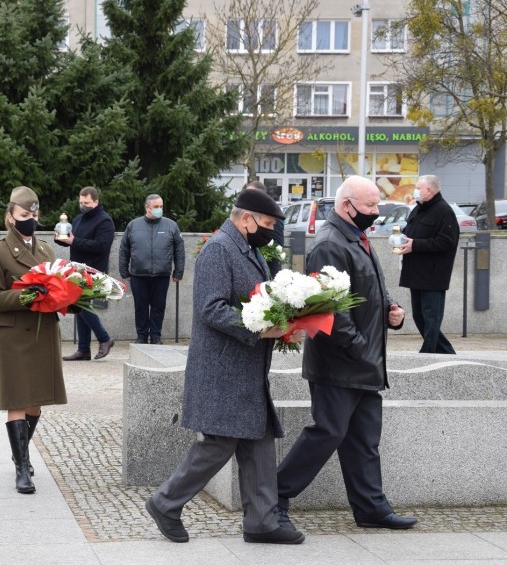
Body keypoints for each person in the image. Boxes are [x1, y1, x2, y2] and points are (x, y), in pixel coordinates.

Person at [145, 188, 304, 545]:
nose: (269, 231)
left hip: (244, 369)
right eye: (265, 223)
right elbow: (211, 308)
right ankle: (165, 503)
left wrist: (281, 325)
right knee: (219, 443)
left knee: (259, 440)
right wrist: (261, 329)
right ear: (245, 218)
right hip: (223, 370)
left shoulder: (247, 248)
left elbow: (256, 301)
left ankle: (262, 522)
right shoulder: (220, 249)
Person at [275, 176, 418, 530]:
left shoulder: (357, 237)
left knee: (364, 440)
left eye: (376, 206)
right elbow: (328, 311)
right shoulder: (329, 243)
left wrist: (391, 310)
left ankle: (370, 507)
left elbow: (371, 288)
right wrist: (358, 348)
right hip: (340, 363)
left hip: (364, 362)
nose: (375, 212)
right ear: (347, 205)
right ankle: (273, 496)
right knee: (327, 433)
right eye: (370, 207)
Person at [0, 186, 67, 494]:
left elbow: (58, 287)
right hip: (13, 334)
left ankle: (21, 450)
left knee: (36, 405)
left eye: (33, 215)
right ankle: (22, 468)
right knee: (17, 400)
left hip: (43, 333)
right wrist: (27, 296)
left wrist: (69, 298)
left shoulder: (46, 250)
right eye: (23, 215)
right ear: (10, 217)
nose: (29, 220)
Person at [397, 175, 459, 354]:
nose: (415, 191)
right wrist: (401, 240)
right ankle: (447, 353)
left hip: (433, 275)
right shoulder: (418, 209)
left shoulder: (444, 211)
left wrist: (415, 245)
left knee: (431, 319)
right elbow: (411, 233)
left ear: (429, 190)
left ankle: (427, 354)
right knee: (419, 317)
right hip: (415, 273)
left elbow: (446, 242)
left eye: (418, 188)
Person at [56, 186, 116, 361]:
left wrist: (74, 240)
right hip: (77, 269)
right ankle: (84, 349)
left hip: (94, 270)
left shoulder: (105, 221)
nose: (83, 206)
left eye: (87, 203)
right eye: (81, 203)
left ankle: (104, 338)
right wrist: (61, 239)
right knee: (80, 306)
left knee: (79, 303)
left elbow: (101, 246)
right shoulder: (78, 219)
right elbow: (72, 243)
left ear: (96, 202)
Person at [118, 194, 185, 344]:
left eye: (161, 206)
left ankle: (156, 336)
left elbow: (179, 250)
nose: (159, 209)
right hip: (138, 274)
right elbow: (124, 249)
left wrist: (178, 271)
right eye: (156, 207)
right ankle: (141, 336)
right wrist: (124, 270)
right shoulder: (133, 225)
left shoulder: (171, 225)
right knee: (140, 307)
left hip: (161, 274)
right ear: (147, 207)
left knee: (158, 307)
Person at [244, 181, 285, 276]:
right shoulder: (246, 214)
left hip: (268, 268)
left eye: (250, 194)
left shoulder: (273, 214)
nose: (246, 198)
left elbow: (277, 245)